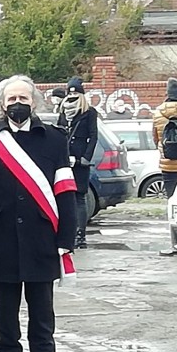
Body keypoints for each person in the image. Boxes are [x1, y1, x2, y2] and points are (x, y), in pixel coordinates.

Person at [0, 75, 76, 352]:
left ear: (34, 102)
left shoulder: (54, 138)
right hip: (0, 232)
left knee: (42, 303)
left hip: (41, 233)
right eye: (11, 99)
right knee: (5, 302)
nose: (17, 104)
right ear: (2, 104)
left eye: (23, 99)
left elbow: (65, 189)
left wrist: (66, 235)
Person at [57, 77, 98, 249]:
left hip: (80, 159)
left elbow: (93, 136)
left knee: (80, 197)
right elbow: (59, 133)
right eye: (70, 94)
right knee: (66, 196)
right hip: (65, 158)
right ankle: (69, 232)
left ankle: (81, 235)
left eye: (75, 93)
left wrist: (85, 158)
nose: (72, 97)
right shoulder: (63, 112)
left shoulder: (89, 112)